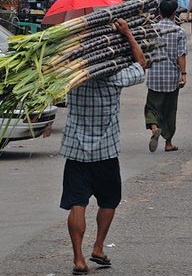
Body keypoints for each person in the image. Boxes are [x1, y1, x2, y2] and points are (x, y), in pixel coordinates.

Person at [60, 19, 147, 275]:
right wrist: (128, 34)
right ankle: (98, 246)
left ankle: (79, 259)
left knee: (78, 202)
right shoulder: (115, 76)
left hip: (76, 150)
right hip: (106, 152)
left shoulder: (72, 76)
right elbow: (141, 64)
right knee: (109, 200)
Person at [145, 0, 187, 153]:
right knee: (170, 109)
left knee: (152, 106)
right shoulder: (179, 31)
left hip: (155, 75)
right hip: (171, 77)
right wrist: (183, 74)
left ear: (159, 12)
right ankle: (168, 142)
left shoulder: (151, 29)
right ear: (174, 13)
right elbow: (181, 55)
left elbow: (146, 51)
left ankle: (155, 127)